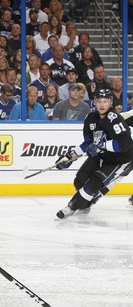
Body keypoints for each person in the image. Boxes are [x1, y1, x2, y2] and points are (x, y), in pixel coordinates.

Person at [54, 89, 133, 219]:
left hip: (120, 160)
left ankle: (70, 208)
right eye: (99, 101)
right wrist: (70, 157)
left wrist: (101, 146)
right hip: (101, 155)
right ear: (94, 103)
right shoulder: (91, 119)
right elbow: (88, 143)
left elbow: (124, 144)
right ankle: (85, 204)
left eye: (105, 101)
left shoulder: (115, 120)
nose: (102, 105)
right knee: (80, 179)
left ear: (111, 103)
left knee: (95, 182)